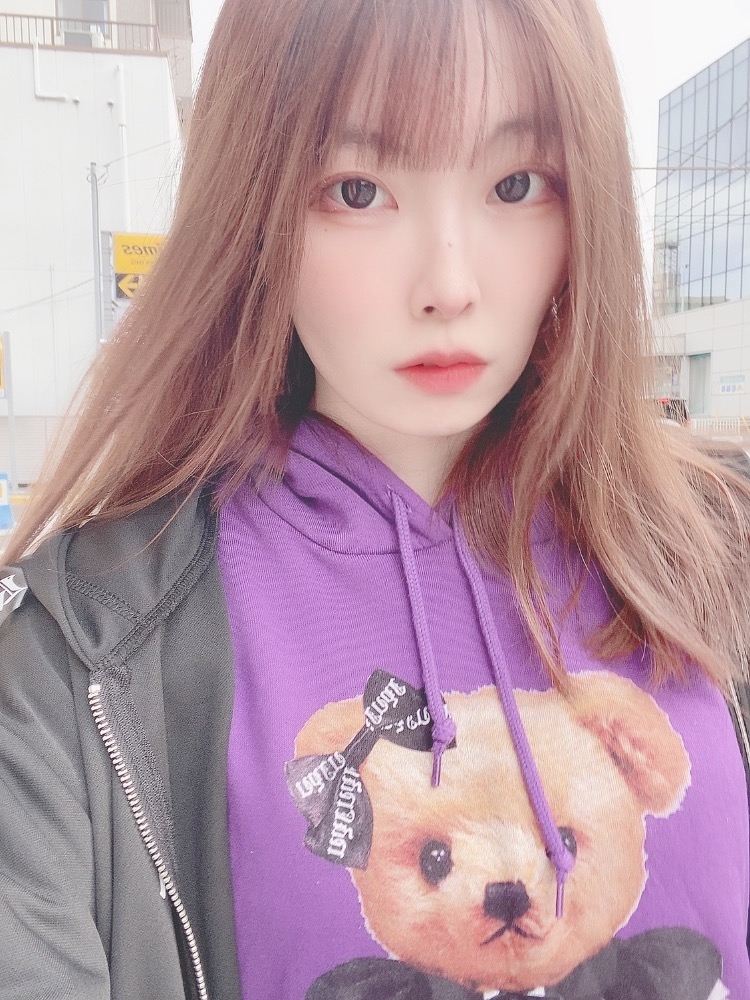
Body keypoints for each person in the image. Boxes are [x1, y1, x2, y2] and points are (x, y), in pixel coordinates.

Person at [1, 0, 749, 996]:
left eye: (516, 184)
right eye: (358, 190)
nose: (449, 283)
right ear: (254, 209)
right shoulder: (80, 655)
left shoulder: (713, 553)